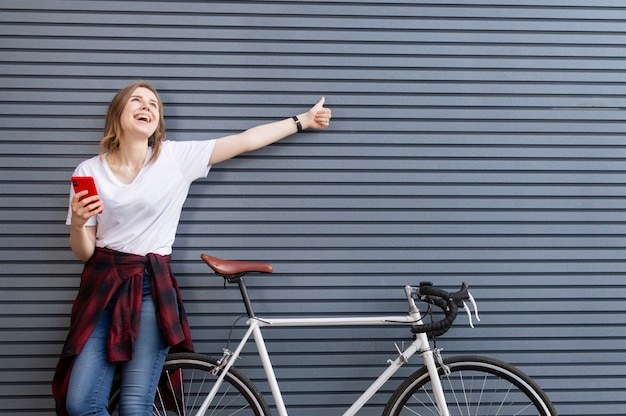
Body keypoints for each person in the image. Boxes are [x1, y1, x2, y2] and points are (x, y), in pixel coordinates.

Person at [52, 80, 332, 416]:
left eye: (153, 105)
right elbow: (84, 253)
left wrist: (302, 120)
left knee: (134, 405)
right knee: (80, 403)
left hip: (148, 287)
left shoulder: (174, 158)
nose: (146, 108)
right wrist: (80, 223)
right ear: (118, 113)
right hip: (103, 286)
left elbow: (243, 141)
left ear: (158, 121)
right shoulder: (89, 171)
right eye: (137, 101)